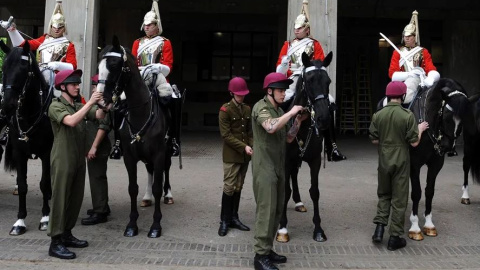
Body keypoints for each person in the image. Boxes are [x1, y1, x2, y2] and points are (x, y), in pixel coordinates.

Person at [0, 0, 77, 150]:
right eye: (54, 26)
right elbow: (22, 46)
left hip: (56, 77)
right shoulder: (43, 40)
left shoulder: (69, 45)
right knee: (13, 90)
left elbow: (73, 66)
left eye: (60, 27)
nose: (56, 29)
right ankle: (7, 124)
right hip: (38, 72)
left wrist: (57, 65)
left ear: (64, 27)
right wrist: (12, 30)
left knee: (60, 96)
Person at [275, 0, 346, 164]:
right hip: (293, 79)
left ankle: (331, 145)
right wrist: (284, 64)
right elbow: (279, 67)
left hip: (310, 79)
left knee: (330, 102)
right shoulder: (287, 45)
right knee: (282, 101)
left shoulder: (315, 45)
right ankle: (279, 137)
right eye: (295, 28)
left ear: (307, 29)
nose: (296, 30)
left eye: (299, 28)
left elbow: (320, 64)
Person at [47, 69, 106, 259]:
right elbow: (71, 121)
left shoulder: (78, 105)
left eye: (78, 83)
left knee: (75, 198)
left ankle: (67, 234)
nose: (77, 86)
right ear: (62, 86)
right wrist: (90, 101)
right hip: (62, 159)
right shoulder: (56, 106)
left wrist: (106, 104)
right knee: (60, 198)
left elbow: (98, 116)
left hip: (78, 158)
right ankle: (55, 242)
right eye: (74, 84)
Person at [251, 72, 307, 270]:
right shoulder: (262, 108)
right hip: (264, 167)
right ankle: (260, 256)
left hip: (278, 167)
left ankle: (268, 249)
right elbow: (270, 128)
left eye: (285, 90)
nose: (284, 94)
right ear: (269, 91)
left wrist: (298, 121)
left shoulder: (278, 111)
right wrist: (291, 113)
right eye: (281, 90)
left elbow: (288, 138)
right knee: (266, 212)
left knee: (276, 212)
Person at [369, 81, 429, 251]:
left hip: (384, 160)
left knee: (384, 194)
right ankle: (394, 237)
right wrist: (420, 128)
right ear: (403, 96)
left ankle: (379, 229)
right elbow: (415, 142)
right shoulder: (407, 115)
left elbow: (374, 139)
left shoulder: (378, 115)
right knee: (399, 199)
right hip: (401, 160)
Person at [130, 0, 181, 156]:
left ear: (157, 26)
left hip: (158, 76)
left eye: (150, 24)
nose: (146, 27)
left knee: (171, 99)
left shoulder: (165, 42)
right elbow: (132, 61)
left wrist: (158, 67)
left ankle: (173, 138)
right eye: (145, 25)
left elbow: (168, 65)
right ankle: (119, 140)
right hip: (139, 76)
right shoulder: (137, 43)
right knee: (122, 100)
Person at [217, 77, 253, 237]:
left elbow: (250, 132)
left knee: (239, 186)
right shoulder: (225, 110)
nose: (242, 96)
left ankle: (234, 217)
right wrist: (244, 146)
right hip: (232, 155)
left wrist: (251, 144)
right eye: (239, 94)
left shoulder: (247, 109)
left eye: (243, 94)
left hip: (245, 156)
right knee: (229, 187)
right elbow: (226, 135)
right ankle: (224, 220)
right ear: (232, 93)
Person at [388, 10, 440, 105]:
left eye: (409, 36)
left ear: (415, 37)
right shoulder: (397, 52)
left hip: (422, 81)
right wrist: (409, 74)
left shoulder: (423, 51)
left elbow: (431, 68)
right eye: (405, 36)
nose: (406, 38)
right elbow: (392, 74)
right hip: (402, 83)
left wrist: (430, 79)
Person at [81, 74, 112, 226]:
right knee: (96, 177)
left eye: (95, 85)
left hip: (98, 147)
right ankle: (101, 206)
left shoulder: (104, 102)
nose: (94, 88)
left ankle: (100, 212)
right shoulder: (97, 100)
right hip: (93, 146)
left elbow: (103, 126)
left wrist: (93, 147)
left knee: (97, 178)